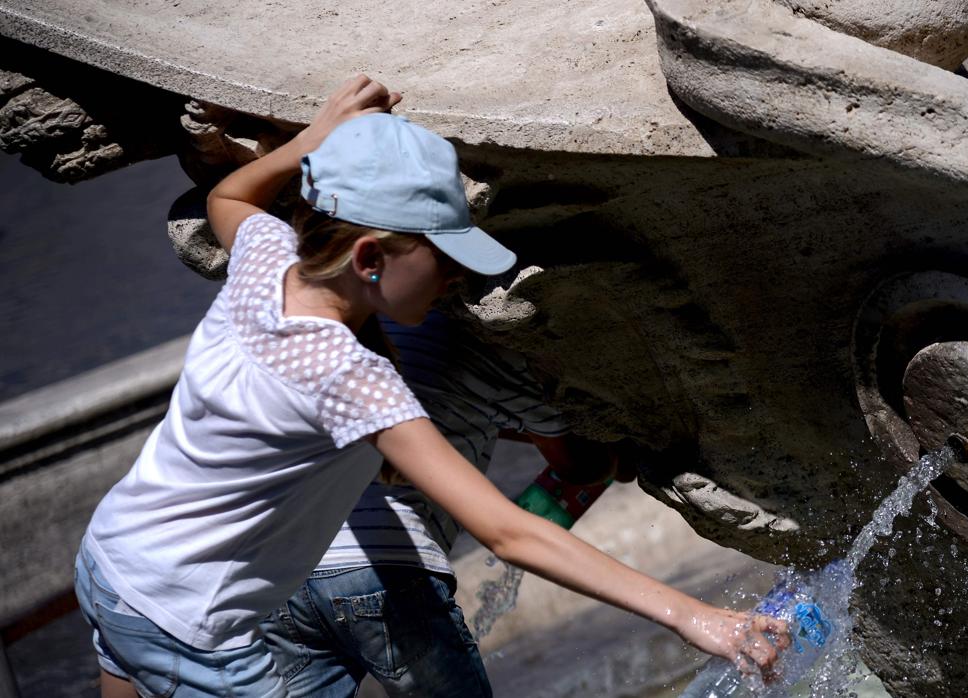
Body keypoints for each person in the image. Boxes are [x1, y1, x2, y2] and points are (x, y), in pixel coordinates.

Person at [74, 75, 787, 698]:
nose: (458, 277)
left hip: (115, 555)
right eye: (443, 255)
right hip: (190, 620)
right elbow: (509, 533)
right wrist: (694, 615)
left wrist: (315, 140)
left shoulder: (269, 261)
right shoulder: (347, 376)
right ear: (369, 257)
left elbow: (230, 193)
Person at [261, 310, 624, 697]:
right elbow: (581, 464)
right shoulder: (500, 346)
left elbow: (434, 413)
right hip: (384, 568)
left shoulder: (379, 324)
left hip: (287, 570)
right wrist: (620, 452)